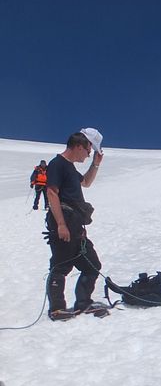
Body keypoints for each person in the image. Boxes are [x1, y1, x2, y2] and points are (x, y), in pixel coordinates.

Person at [44, 129, 107, 320]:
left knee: (92, 264)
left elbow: (86, 182)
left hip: (76, 224)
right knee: (61, 265)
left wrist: (95, 164)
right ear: (79, 146)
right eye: (89, 150)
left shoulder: (70, 168)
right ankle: (57, 309)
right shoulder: (58, 164)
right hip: (64, 221)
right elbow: (52, 193)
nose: (89, 154)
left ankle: (83, 302)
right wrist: (61, 224)